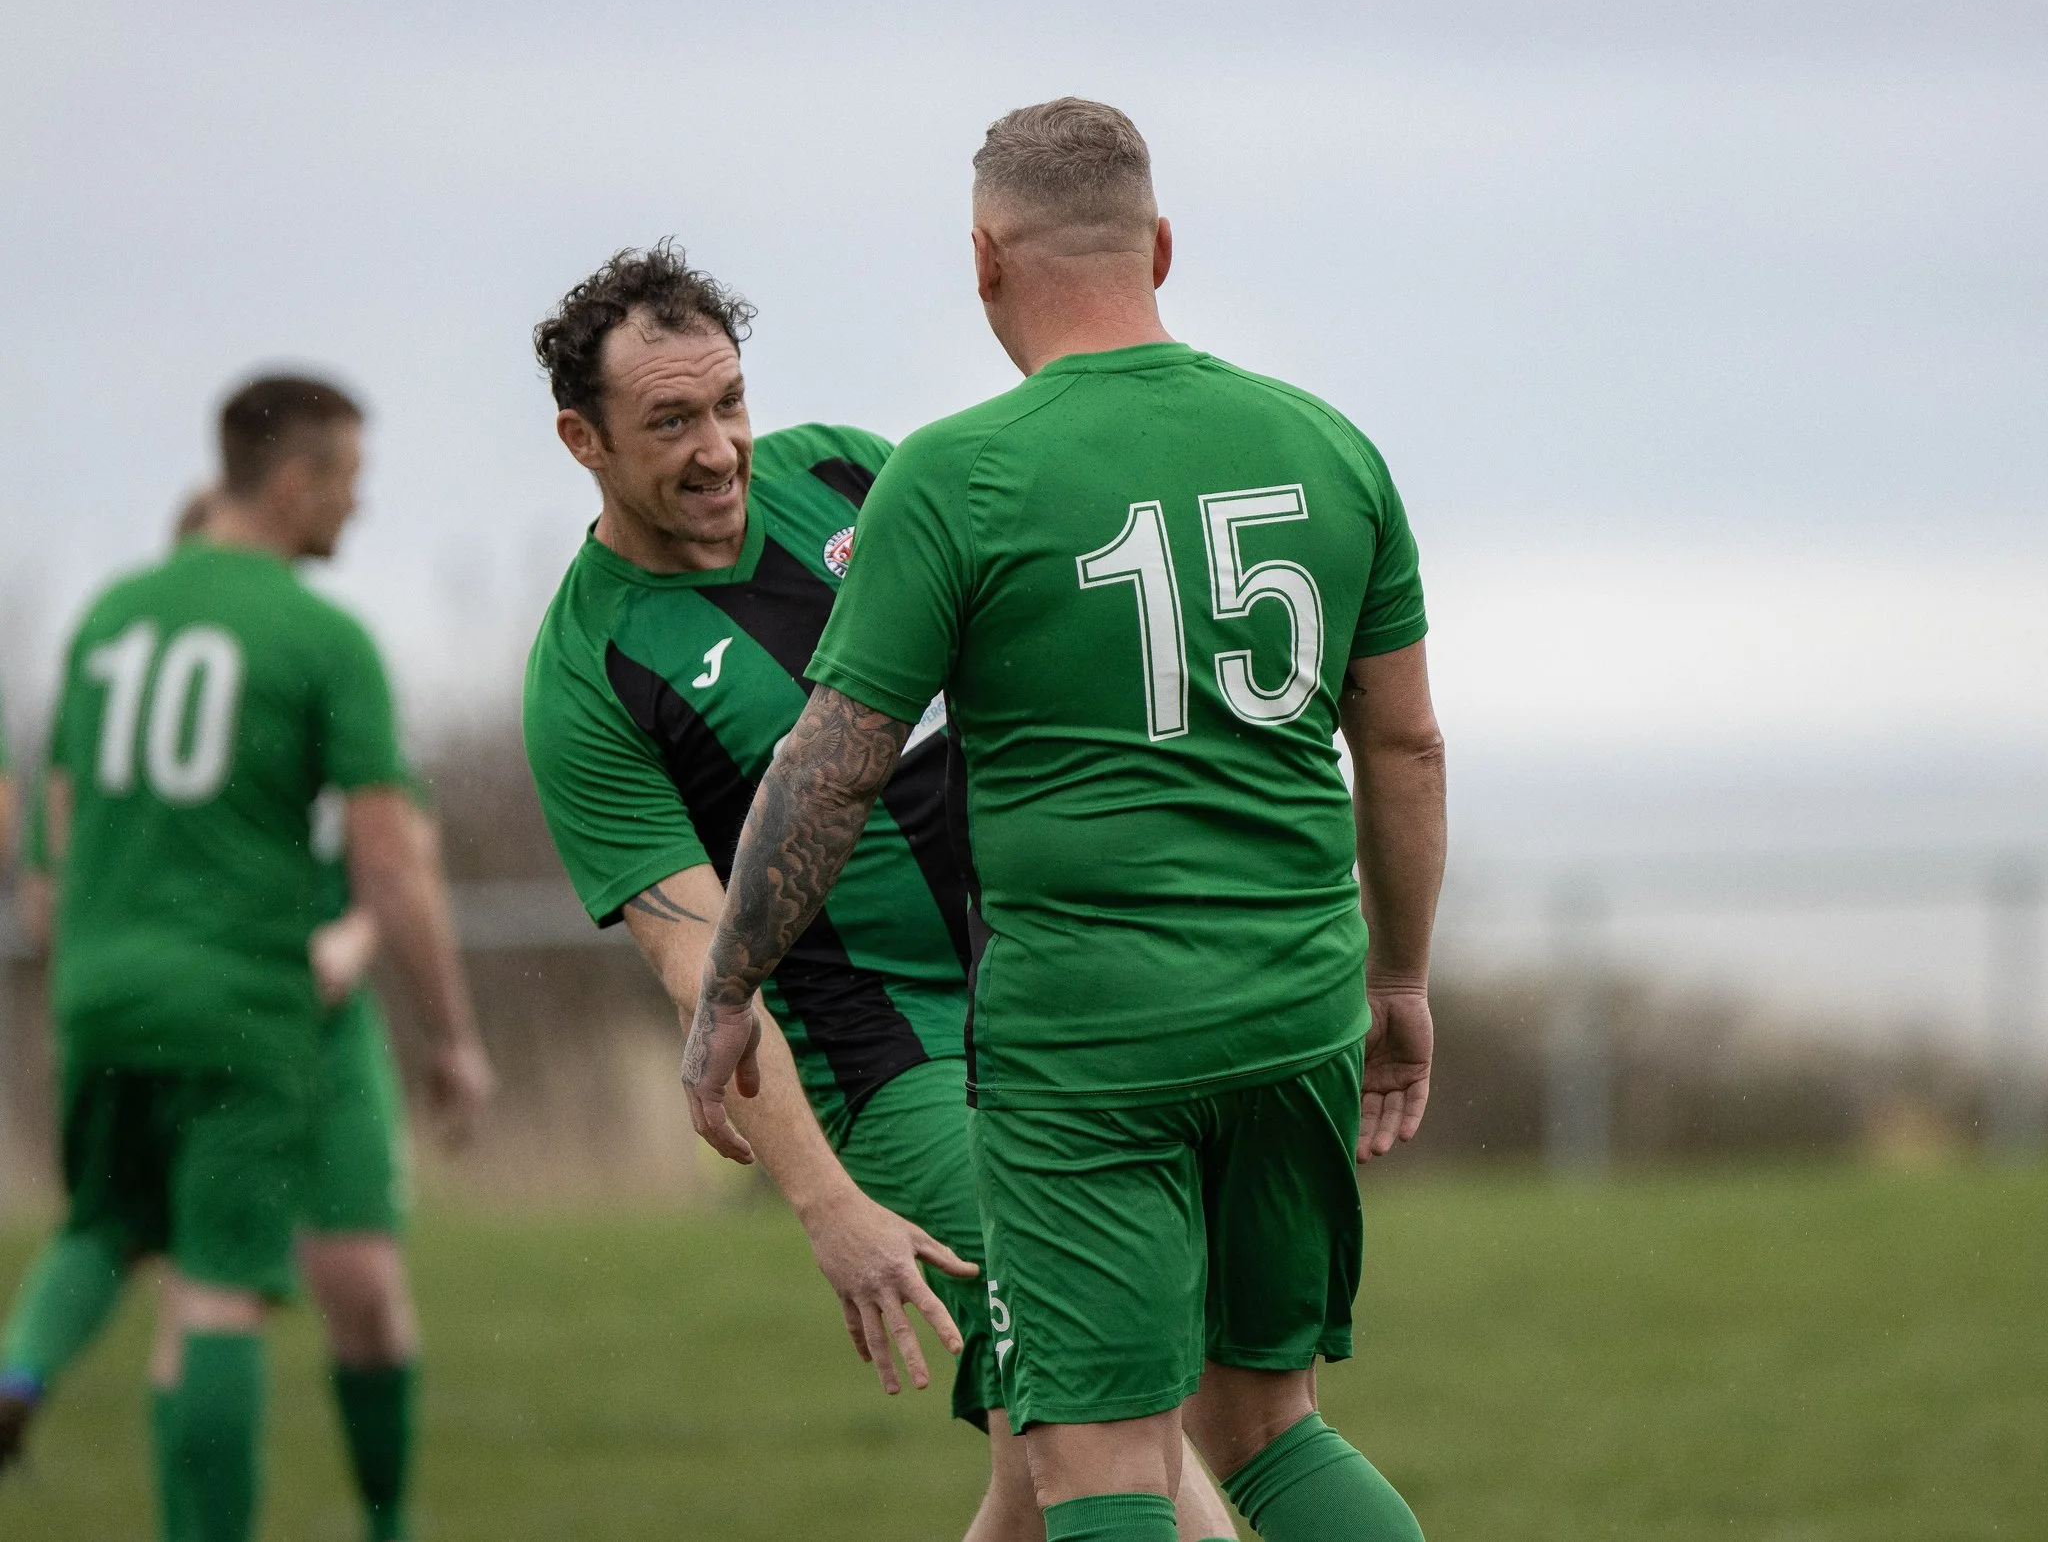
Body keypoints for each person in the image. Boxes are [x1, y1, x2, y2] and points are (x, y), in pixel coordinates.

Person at [683, 99, 1447, 1542]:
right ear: (1159, 244)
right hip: (1296, 1011)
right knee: (1269, 1426)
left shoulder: (959, 472)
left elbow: (830, 768)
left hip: (1087, 1044)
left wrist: (729, 986)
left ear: (983, 260)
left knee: (1094, 1463)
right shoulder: (1327, 446)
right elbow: (1403, 741)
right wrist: (1399, 979)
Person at [518, 243, 1236, 1542]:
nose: (720, 448)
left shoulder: (848, 471)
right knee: (1096, 1410)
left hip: (1048, 982)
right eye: (669, 421)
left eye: (728, 402)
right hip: (884, 1057)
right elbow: (703, 977)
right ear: (582, 437)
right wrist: (826, 1199)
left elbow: (1048, 670)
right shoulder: (590, 672)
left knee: (1049, 1439)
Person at [0, 378, 494, 1542]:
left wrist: (93, 961)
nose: (357, 512)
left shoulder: (113, 616)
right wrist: (451, 1034)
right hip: (243, 1007)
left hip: (102, 998)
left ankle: (26, 1376)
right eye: (350, 486)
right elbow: (394, 860)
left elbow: (51, 853)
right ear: (294, 483)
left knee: (112, 1234)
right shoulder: (317, 636)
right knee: (221, 1290)